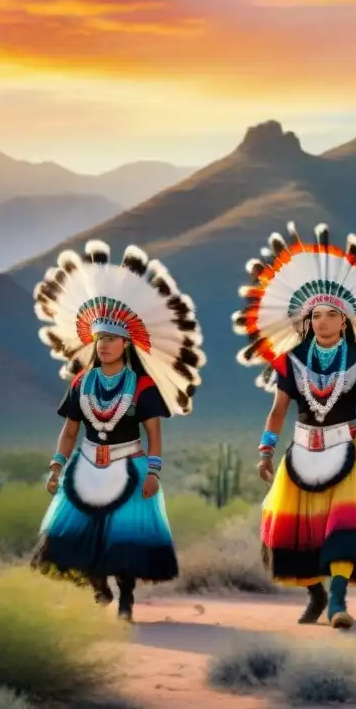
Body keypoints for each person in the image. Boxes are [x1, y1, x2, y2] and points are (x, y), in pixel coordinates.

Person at [233, 222, 356, 629]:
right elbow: (279, 409)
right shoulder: (291, 359)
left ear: (345, 319)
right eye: (315, 314)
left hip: (349, 449)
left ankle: (337, 601)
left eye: (330, 314)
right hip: (300, 451)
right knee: (300, 534)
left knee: (343, 528)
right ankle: (316, 594)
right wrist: (266, 450)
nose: (321, 320)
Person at [31, 240, 206, 622]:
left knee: (122, 541)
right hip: (85, 466)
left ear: (126, 343)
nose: (105, 345)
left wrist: (155, 472)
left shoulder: (141, 386)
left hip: (130, 465)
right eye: (100, 339)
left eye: (111, 338)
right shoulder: (80, 383)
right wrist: (58, 466)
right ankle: (99, 590)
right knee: (75, 540)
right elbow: (70, 429)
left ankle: (126, 600)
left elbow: (154, 434)